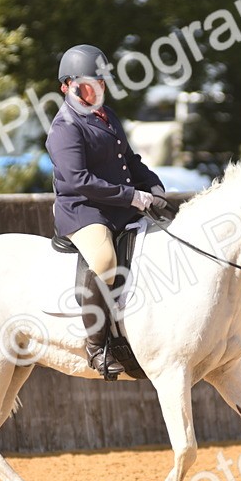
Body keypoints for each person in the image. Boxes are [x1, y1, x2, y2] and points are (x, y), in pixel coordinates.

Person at [45, 44, 171, 379]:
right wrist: (132, 196)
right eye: (91, 83)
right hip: (84, 210)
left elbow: (129, 160)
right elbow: (80, 180)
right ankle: (96, 346)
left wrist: (153, 185)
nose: (99, 87)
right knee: (104, 261)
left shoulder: (107, 115)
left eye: (101, 81)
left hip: (118, 205)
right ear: (68, 86)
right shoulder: (65, 127)